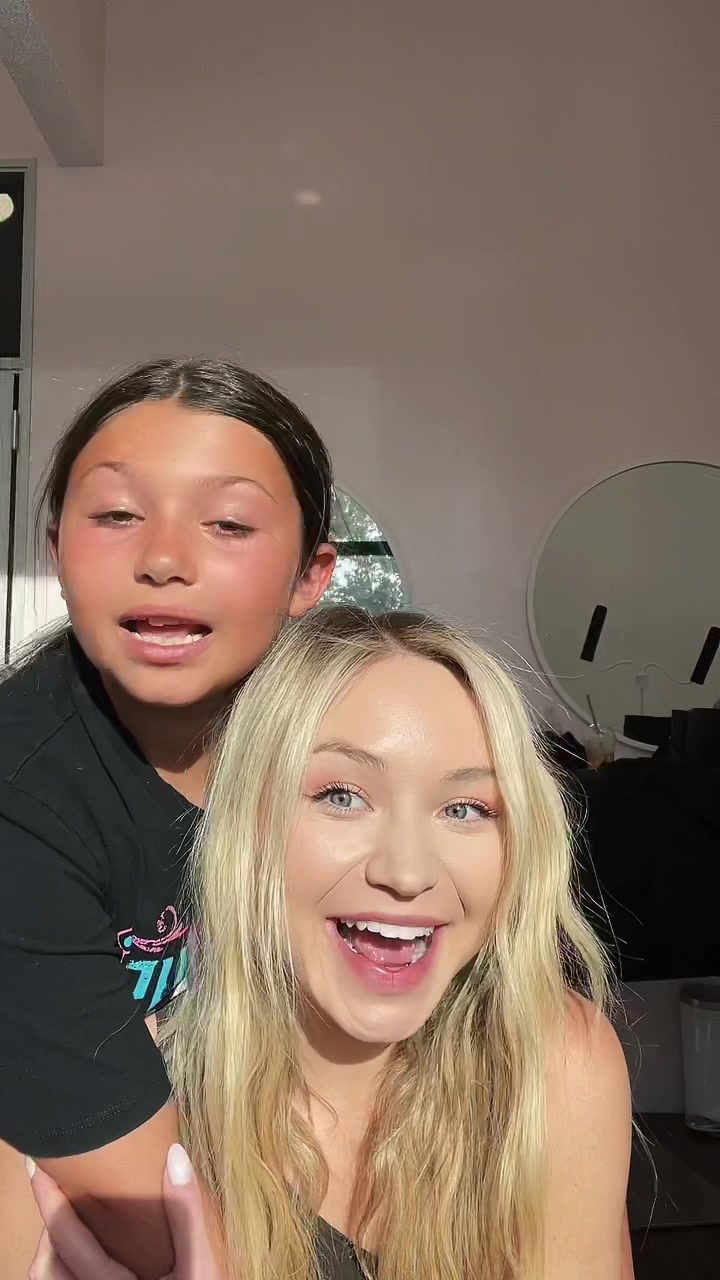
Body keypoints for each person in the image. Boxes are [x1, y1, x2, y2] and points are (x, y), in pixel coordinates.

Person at [28, 608, 633, 1279]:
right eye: (342, 796)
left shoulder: (553, 1067)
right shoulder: (92, 1103)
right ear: (249, 825)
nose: (407, 872)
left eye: (465, 809)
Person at [0, 358, 337, 1279]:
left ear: (311, 574)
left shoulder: (340, 751)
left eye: (228, 524)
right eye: (116, 515)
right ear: (56, 548)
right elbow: (162, 1223)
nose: (162, 559)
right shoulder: (23, 800)